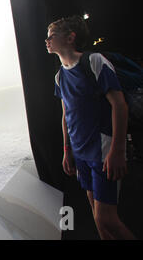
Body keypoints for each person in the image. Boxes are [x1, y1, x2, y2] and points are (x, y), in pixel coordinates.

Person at [47, 16, 135, 239]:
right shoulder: (59, 77)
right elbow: (66, 116)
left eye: (51, 36)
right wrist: (67, 151)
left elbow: (120, 105)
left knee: (106, 219)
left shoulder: (94, 62)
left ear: (70, 38)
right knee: (97, 214)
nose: (47, 40)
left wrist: (117, 150)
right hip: (80, 154)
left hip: (102, 151)